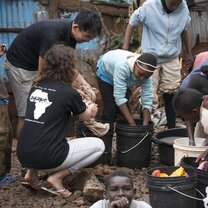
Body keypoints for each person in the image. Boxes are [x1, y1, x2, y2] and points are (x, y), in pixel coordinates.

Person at [16, 44, 105, 197]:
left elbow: (55, 96)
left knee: (39, 129)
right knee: (99, 146)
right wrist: (92, 110)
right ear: (69, 68)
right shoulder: (68, 93)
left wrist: (74, 94)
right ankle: (57, 177)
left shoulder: (36, 87)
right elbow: (85, 117)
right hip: (49, 157)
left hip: (23, 154)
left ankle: (31, 174)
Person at [3, 8, 102, 138]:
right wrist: (71, 89)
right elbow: (43, 72)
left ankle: (38, 145)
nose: (87, 40)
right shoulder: (52, 34)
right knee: (27, 114)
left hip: (33, 65)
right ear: (76, 27)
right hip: (20, 67)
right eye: (87, 36)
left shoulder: (72, 37)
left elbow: (67, 65)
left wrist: (84, 84)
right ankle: (24, 152)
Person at [122, 0, 193, 129]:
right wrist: (125, 49)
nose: (174, 7)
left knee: (171, 91)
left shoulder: (183, 8)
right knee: (148, 95)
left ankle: (171, 128)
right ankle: (145, 129)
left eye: (178, 4)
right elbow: (132, 22)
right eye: (172, 4)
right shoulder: (149, 6)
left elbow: (184, 29)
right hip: (150, 57)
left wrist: (188, 52)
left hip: (171, 57)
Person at [96, 49, 157, 126]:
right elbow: (119, 97)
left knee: (124, 111)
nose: (142, 78)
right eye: (140, 74)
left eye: (146, 76)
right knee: (110, 108)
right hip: (106, 73)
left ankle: (121, 134)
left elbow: (147, 99)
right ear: (134, 65)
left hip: (124, 79)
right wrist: (132, 124)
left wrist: (145, 126)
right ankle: (106, 134)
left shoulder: (146, 74)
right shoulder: (122, 66)